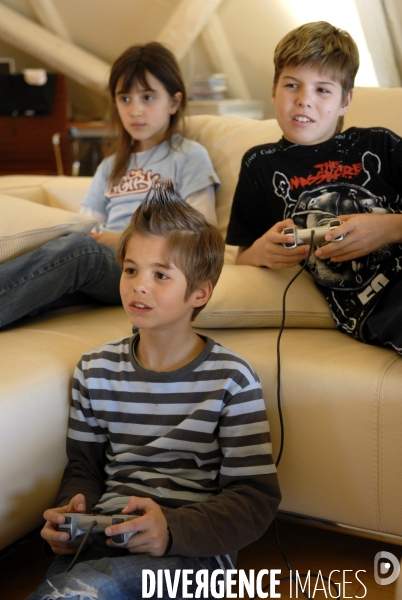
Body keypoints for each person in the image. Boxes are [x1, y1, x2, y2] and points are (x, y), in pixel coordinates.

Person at [27, 180, 281, 600]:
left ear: (199, 292)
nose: (138, 285)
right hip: (102, 539)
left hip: (192, 551)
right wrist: (74, 511)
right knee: (66, 590)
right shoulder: (94, 370)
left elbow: (254, 498)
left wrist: (171, 531)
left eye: (160, 275)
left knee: (77, 592)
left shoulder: (232, 379)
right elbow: (85, 468)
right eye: (131, 269)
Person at [0, 42, 219, 329]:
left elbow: (202, 235)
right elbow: (85, 226)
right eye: (125, 99)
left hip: (146, 269)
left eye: (148, 97)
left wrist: (125, 240)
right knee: (52, 263)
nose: (135, 110)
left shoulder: (189, 156)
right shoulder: (110, 166)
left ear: (174, 102)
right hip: (103, 266)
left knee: (80, 252)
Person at [226, 21, 402, 354]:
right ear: (274, 91)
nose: (304, 100)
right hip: (373, 307)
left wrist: (388, 228)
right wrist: (266, 250)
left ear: (345, 100)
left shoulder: (379, 144)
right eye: (292, 85)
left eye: (322, 90)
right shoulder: (260, 165)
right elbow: (244, 255)